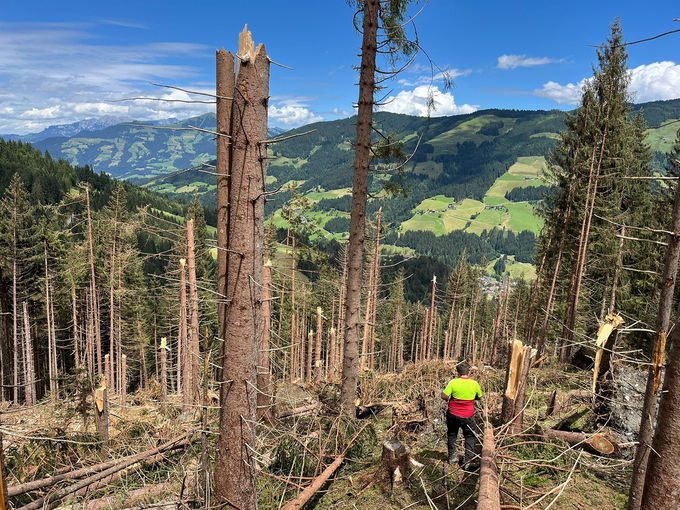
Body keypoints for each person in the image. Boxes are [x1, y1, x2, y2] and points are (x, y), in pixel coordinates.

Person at [440, 362, 482, 468]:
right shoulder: (474, 384)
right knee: (470, 436)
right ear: (469, 372)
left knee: (452, 434)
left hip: (452, 414)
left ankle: (452, 458)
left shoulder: (453, 383)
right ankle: (468, 462)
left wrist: (449, 399)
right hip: (468, 415)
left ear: (458, 372)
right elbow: (479, 397)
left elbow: (444, 396)